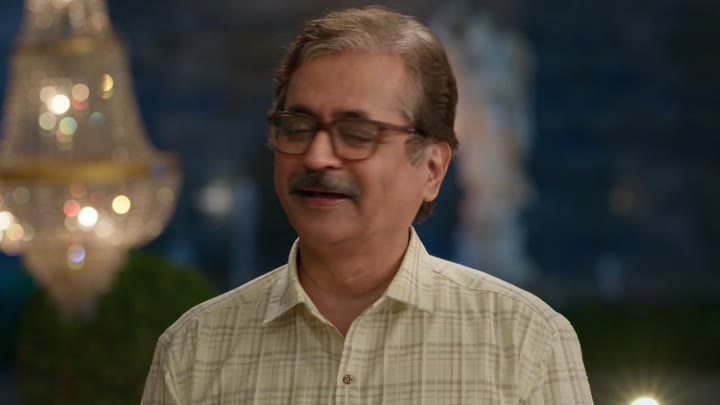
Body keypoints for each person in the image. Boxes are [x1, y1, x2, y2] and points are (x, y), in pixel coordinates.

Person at [142, 6, 593, 404]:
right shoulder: (194, 351)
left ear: (432, 169)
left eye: (356, 134)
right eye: (297, 127)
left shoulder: (525, 343)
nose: (317, 157)